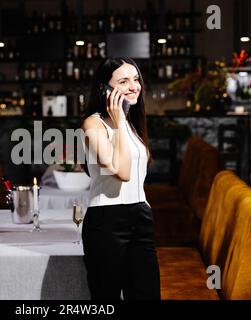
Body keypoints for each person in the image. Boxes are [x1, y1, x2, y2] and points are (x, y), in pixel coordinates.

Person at [80, 57, 160, 300]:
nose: (134, 86)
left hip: (141, 218)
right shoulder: (93, 124)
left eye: (136, 79)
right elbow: (122, 172)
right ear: (104, 88)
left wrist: (123, 122)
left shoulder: (132, 125)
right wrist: (120, 121)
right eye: (123, 81)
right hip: (106, 221)